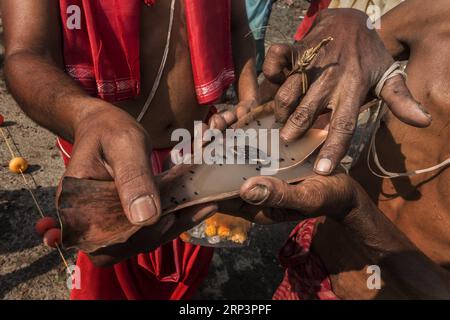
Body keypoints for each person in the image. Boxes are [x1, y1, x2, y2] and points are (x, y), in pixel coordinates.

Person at [1, 0, 258, 300]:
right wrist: (87, 116)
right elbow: (27, 53)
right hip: (108, 159)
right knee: (109, 276)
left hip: (199, 145)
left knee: (190, 260)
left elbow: (237, 25)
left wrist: (249, 100)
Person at [226, 0, 450, 299]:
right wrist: (348, 24)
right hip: (318, 262)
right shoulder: (437, 14)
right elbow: (347, 51)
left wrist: (353, 210)